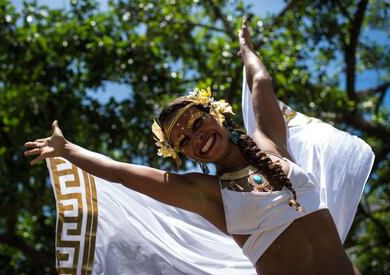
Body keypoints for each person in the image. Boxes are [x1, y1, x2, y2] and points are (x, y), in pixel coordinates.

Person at [25, 18, 371, 274]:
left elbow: (260, 83)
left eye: (195, 123)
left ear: (217, 114)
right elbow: (122, 174)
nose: (196, 139)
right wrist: (68, 150)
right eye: (183, 142)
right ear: (184, 155)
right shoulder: (206, 194)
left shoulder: (273, 149)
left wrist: (246, 51)